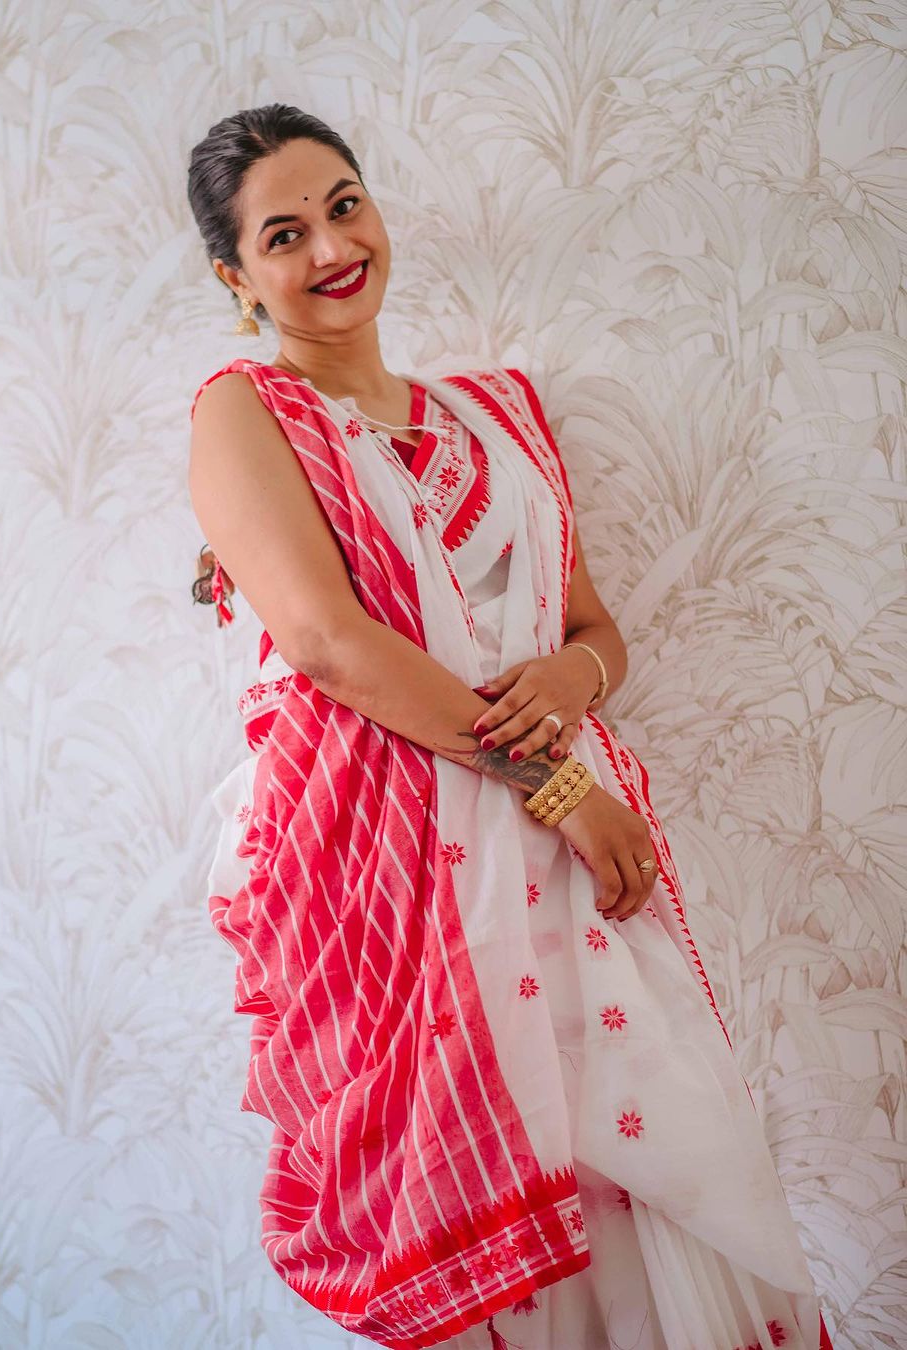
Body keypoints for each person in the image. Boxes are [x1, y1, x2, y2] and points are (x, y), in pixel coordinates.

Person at [186, 104, 834, 1350]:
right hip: (407, 862)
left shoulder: (498, 417)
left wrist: (575, 688)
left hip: (571, 861)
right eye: (283, 233)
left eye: (343, 203)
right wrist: (560, 789)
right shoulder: (246, 411)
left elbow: (598, 632)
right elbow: (330, 646)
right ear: (236, 275)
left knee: (642, 1171)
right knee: (507, 1190)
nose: (331, 246)